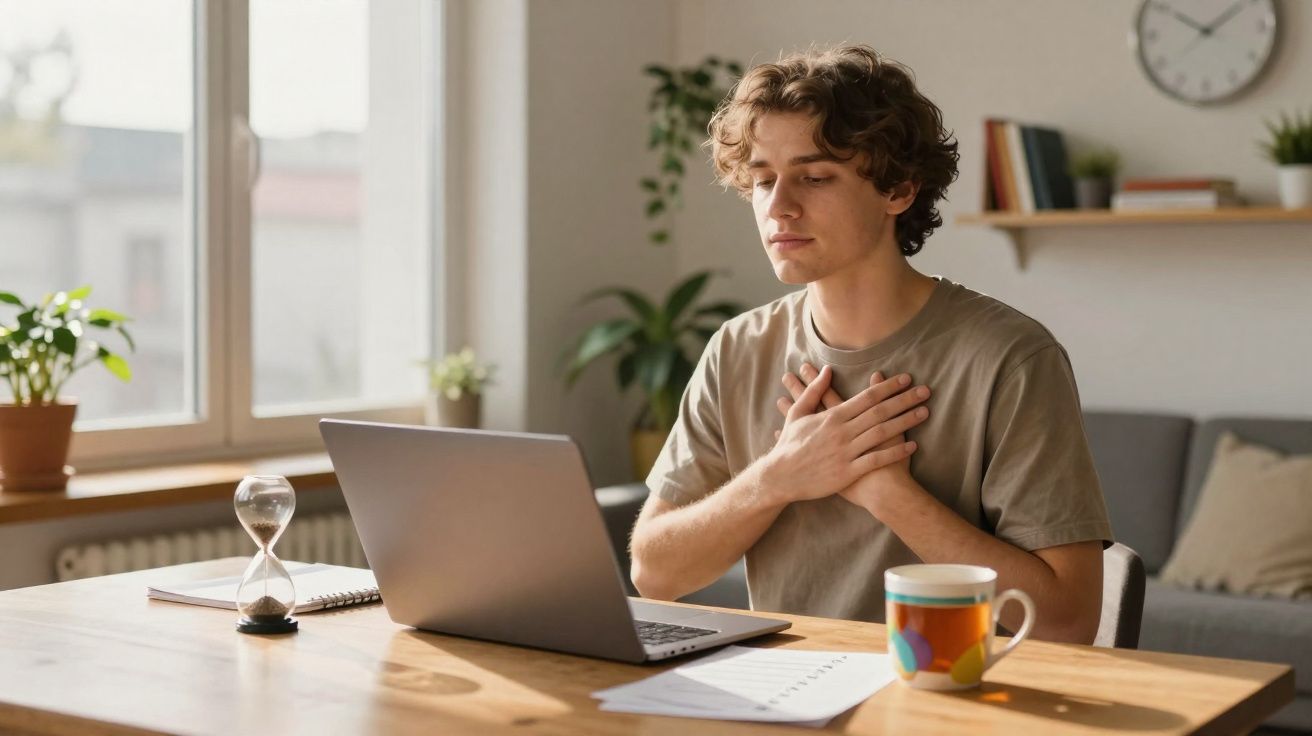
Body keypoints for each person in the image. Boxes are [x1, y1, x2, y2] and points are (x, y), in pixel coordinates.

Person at [628, 45, 1113, 644]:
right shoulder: (737, 349)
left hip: (956, 701)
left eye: (814, 176)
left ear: (899, 190)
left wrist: (887, 494)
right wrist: (779, 476)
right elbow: (653, 572)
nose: (778, 207)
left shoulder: (1010, 357)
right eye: (762, 180)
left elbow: (1067, 621)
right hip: (784, 698)